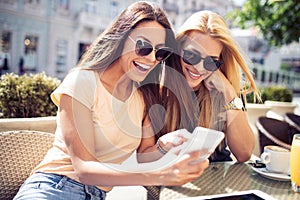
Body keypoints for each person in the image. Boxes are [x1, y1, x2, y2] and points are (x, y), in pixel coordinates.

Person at [14, 2, 208, 200]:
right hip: (54, 188)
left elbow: (143, 156)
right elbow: (84, 169)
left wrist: (164, 146)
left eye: (160, 53)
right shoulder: (82, 82)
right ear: (121, 39)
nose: (151, 58)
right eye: (143, 47)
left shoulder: (145, 95)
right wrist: (159, 175)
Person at [175, 10, 261, 162]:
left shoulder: (227, 90)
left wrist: (228, 91)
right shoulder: (160, 85)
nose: (199, 67)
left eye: (211, 61)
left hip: (217, 177)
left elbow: (244, 153)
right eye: (191, 55)